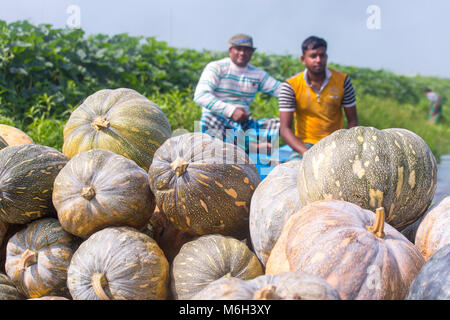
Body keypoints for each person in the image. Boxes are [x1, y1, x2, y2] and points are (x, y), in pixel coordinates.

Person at [194, 33, 282, 154]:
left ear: (251, 52)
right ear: (230, 50)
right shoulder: (216, 67)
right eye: (239, 49)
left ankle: (242, 145)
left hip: (244, 124)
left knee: (282, 124)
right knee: (207, 121)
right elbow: (200, 96)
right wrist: (231, 111)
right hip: (219, 121)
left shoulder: (257, 74)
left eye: (247, 50)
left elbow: (281, 90)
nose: (242, 53)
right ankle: (252, 147)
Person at [278, 36, 358, 160]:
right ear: (303, 59)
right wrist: (307, 153)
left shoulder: (342, 81)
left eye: (322, 55)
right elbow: (284, 129)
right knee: (293, 175)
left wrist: (345, 147)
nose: (318, 60)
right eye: (313, 56)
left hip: (335, 144)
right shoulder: (290, 86)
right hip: (304, 145)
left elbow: (352, 120)